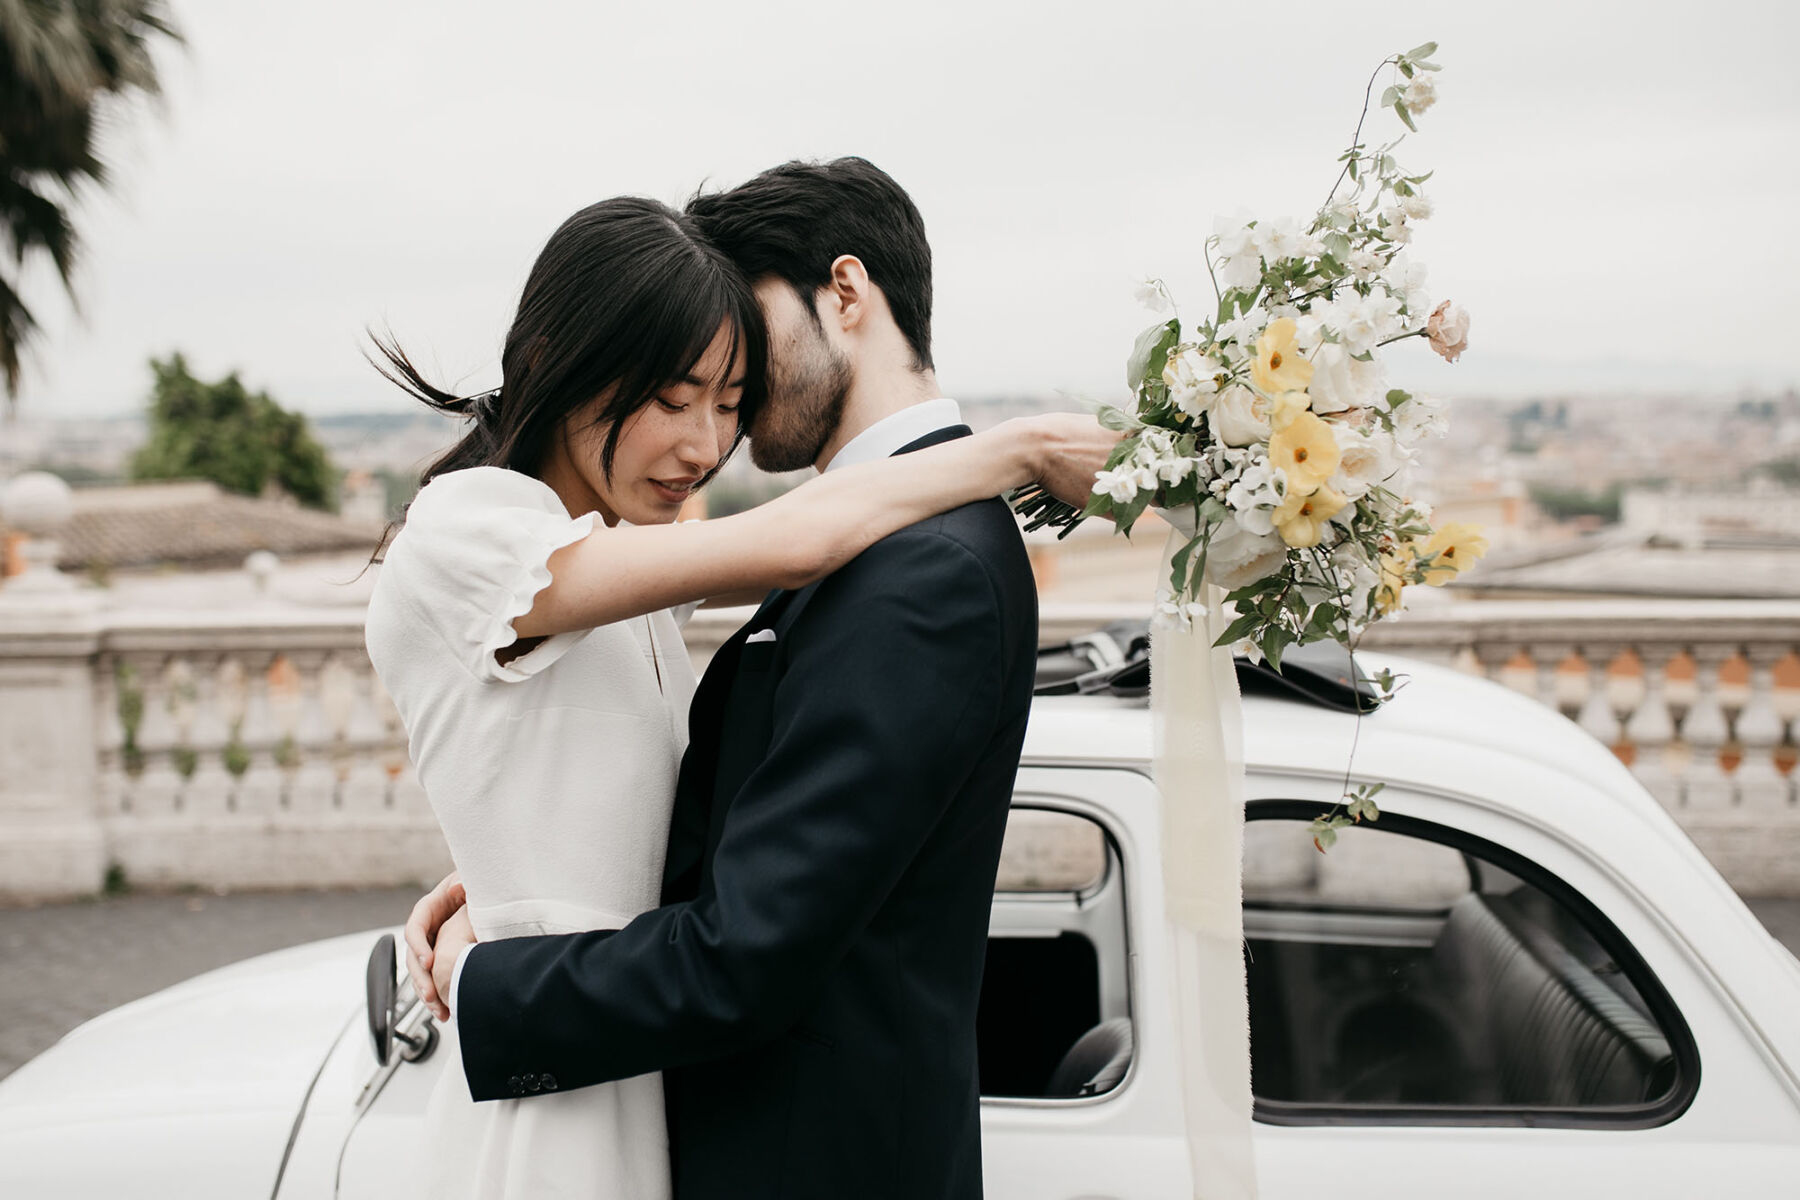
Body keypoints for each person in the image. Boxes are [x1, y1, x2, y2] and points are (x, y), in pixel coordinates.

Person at [374, 173, 1112, 1200]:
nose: (713, 439)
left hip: (635, 1063)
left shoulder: (905, 565)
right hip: (584, 1087)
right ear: (564, 362)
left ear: (845, 295)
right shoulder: (476, 531)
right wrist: (1015, 450)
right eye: (677, 397)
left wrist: (493, 930)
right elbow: (794, 538)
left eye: (729, 393)